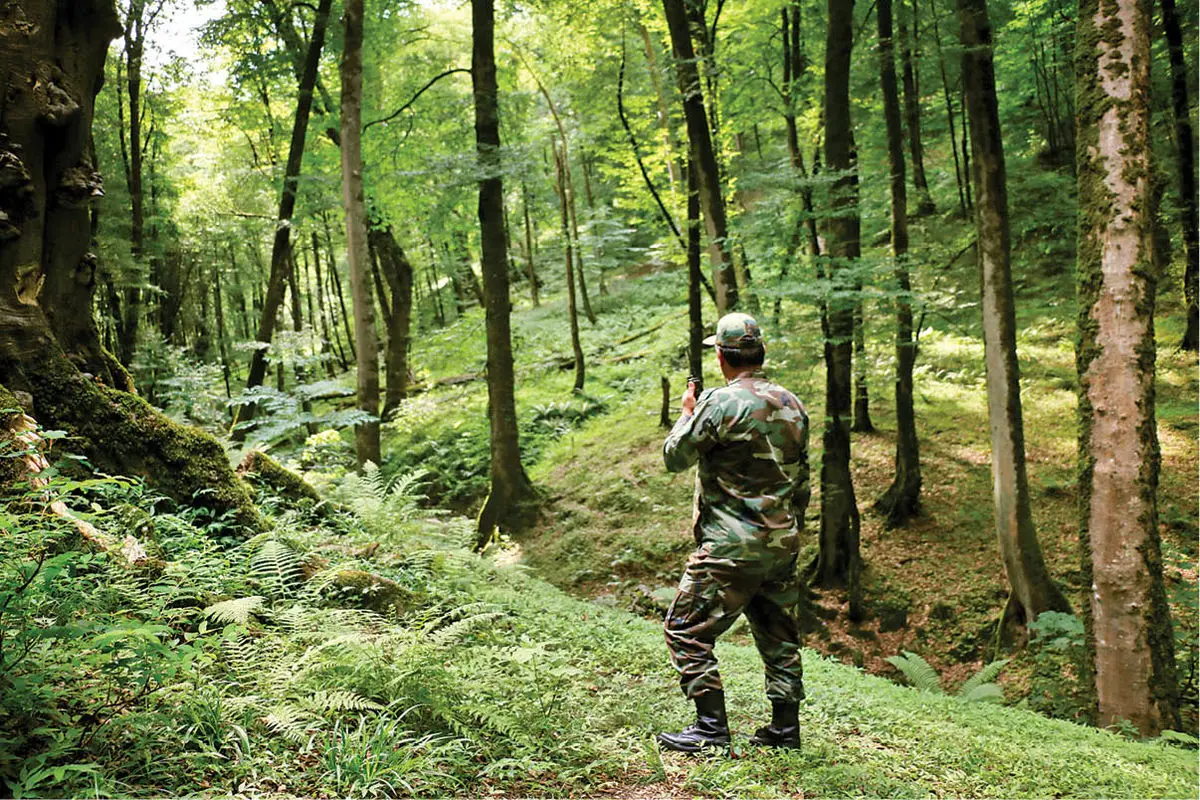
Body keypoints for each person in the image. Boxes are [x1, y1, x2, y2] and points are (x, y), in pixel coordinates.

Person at [657, 312, 809, 753]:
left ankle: (710, 728)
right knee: (779, 635)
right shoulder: (792, 403)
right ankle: (784, 730)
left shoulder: (719, 403)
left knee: (685, 628)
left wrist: (686, 413)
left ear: (722, 357)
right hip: (782, 541)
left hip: (729, 545)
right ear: (759, 353)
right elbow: (801, 479)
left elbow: (675, 457)